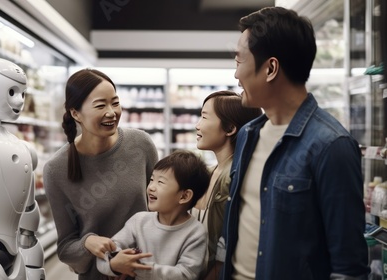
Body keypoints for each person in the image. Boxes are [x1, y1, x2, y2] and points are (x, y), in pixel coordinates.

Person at [221, 6, 370, 280]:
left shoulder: (331, 146)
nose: (235, 75)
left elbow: (348, 266)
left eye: (239, 61)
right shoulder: (248, 135)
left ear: (271, 68)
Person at [43, 68, 159, 280]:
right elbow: (66, 247)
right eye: (100, 105)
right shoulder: (55, 170)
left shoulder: (140, 145)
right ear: (75, 113)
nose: (111, 112)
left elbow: (163, 211)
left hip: (150, 271)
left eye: (115, 102)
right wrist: (87, 243)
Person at [97, 149, 210, 280]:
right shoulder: (139, 221)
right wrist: (114, 265)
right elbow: (106, 253)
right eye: (152, 179)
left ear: (184, 196)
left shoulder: (195, 233)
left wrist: (134, 267)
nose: (151, 187)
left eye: (160, 182)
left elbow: (186, 274)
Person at [193, 90, 262, 279]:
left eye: (204, 117)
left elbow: (231, 244)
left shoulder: (233, 176)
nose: (197, 126)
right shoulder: (213, 171)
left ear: (230, 128)